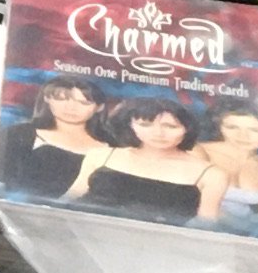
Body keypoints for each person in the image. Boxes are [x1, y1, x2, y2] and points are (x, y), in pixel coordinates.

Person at [69, 95, 210, 222]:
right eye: (145, 125)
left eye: (170, 126)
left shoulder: (209, 174)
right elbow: (69, 200)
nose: (158, 133)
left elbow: (206, 225)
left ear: (187, 129)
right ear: (129, 126)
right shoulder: (100, 156)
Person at [6, 76, 116, 201]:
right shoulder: (19, 134)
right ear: (47, 98)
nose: (71, 107)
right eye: (62, 99)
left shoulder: (113, 147)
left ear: (99, 107)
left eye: (84, 102)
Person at [192, 104, 258, 232]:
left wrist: (247, 231)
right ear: (219, 127)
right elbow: (191, 200)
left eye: (255, 130)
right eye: (232, 127)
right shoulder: (198, 151)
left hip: (241, 236)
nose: (242, 136)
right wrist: (240, 227)